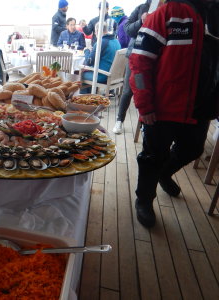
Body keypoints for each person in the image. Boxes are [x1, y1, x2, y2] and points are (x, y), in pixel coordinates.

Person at [129, 0, 213, 228]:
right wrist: (144, 105)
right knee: (152, 157)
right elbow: (139, 63)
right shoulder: (166, 14)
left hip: (202, 107)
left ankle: (164, 174)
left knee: (193, 149)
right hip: (164, 107)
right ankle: (144, 200)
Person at [112, 0, 151, 134]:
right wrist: (141, 21)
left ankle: (145, 125)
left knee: (149, 91)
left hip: (156, 57)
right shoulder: (141, 8)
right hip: (135, 54)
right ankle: (119, 120)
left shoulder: (165, 10)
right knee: (128, 90)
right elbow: (128, 29)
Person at [80, 22, 121, 93]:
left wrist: (86, 51)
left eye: (95, 32)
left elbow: (89, 62)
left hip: (102, 76)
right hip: (115, 76)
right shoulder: (116, 41)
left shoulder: (101, 43)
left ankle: (84, 99)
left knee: (79, 74)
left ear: (98, 31)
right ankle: (91, 97)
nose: (95, 35)